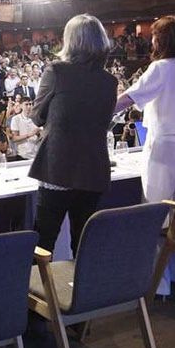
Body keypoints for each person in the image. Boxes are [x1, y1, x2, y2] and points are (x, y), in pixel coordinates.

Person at [115, 16, 175, 294]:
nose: (152, 40)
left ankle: (157, 283)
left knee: (155, 211)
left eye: (155, 36)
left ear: (163, 40)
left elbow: (126, 100)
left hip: (168, 143)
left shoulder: (161, 68)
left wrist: (94, 111)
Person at [29, 14, 117, 254]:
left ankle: (39, 291)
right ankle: (82, 290)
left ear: (71, 41)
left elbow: (37, 116)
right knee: (84, 242)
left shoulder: (57, 71)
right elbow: (104, 121)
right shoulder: (109, 82)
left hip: (59, 166)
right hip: (93, 168)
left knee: (43, 241)